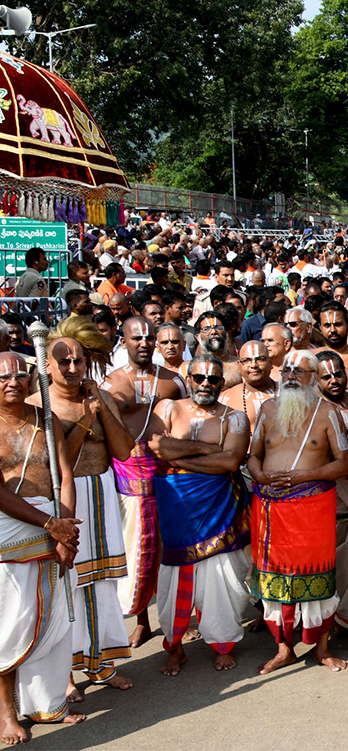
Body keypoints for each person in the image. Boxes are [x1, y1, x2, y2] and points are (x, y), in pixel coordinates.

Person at [38, 332, 135, 697]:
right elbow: (56, 463)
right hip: (67, 504)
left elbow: (124, 451)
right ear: (47, 366)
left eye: (78, 360)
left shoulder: (100, 397)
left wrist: (101, 406)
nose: (73, 367)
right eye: (63, 361)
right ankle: (65, 676)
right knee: (68, 588)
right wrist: (83, 418)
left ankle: (102, 665)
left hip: (103, 495)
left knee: (103, 586)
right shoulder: (39, 406)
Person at [247, 349, 348, 675]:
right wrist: (260, 475)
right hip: (269, 507)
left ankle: (322, 648)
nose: (291, 376)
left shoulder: (329, 413)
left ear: (312, 379)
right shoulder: (267, 409)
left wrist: (304, 476)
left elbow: (343, 463)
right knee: (273, 582)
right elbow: (253, 456)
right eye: (288, 370)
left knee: (318, 578)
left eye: (301, 372)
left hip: (312, 508)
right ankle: (284, 649)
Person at [148, 354, 252, 675]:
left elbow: (230, 462)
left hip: (218, 506)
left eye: (213, 379)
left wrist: (179, 456)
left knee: (221, 577)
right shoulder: (168, 408)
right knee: (174, 578)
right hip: (176, 506)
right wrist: (210, 450)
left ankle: (222, 644)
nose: (205, 384)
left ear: (222, 383)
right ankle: (175, 647)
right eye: (198, 378)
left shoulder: (235, 419)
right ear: (188, 379)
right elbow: (156, 447)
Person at [0, 351, 84, 743]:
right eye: (3, 377)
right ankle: (6, 714)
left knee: (54, 621)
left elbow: (65, 475)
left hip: (53, 528)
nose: (12, 382)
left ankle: (48, 703)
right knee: (10, 628)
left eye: (19, 375)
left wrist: (65, 529)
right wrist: (52, 525)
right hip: (14, 533)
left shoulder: (43, 420)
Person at [99, 317, 189, 648]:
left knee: (173, 549)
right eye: (136, 337)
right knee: (138, 550)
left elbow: (188, 419)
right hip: (128, 477)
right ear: (123, 341)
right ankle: (142, 619)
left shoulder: (174, 380)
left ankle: (177, 619)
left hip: (170, 475)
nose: (144, 342)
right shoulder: (111, 383)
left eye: (149, 337)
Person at [313, 351, 348, 634]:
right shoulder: (315, 409)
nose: (333, 380)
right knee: (336, 558)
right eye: (326, 376)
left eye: (338, 374)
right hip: (333, 493)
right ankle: (333, 618)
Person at [219, 340, 276, 432]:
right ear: (239, 365)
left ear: (271, 362)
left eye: (260, 359)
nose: (253, 365)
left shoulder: (288, 393)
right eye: (246, 360)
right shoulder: (225, 399)